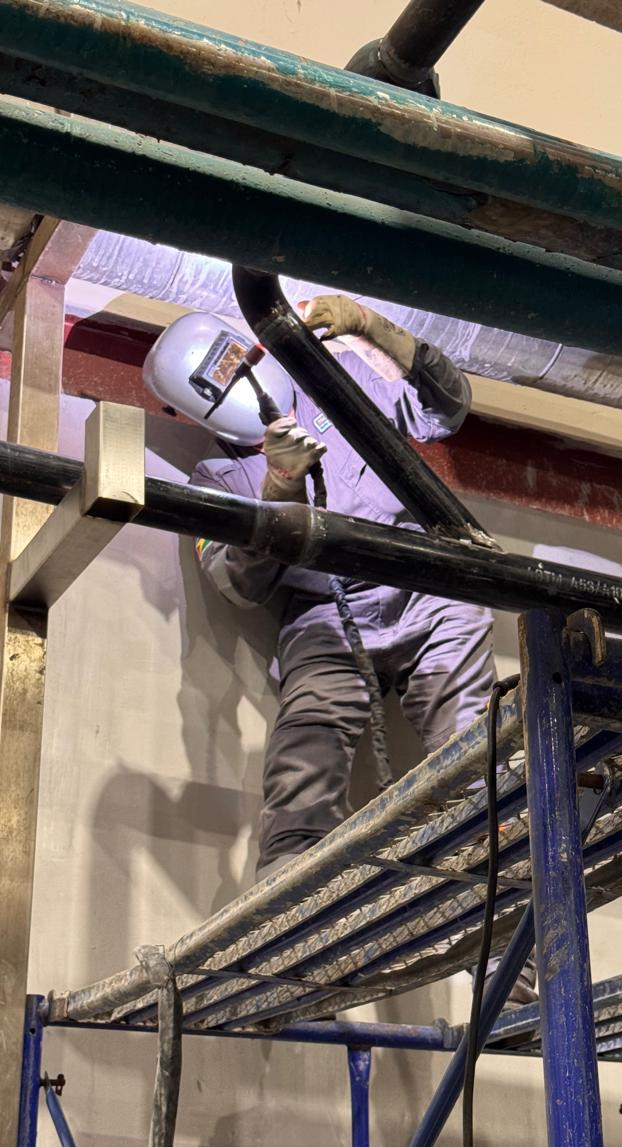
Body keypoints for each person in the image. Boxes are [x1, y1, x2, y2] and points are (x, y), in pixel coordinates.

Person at [145, 294, 497, 885]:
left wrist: (370, 327)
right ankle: (289, 899)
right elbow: (237, 584)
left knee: (472, 745)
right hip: (326, 616)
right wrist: (280, 486)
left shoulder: (336, 378)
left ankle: (498, 852)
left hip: (424, 583)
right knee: (304, 759)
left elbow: (447, 408)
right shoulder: (217, 479)